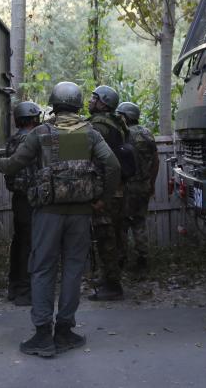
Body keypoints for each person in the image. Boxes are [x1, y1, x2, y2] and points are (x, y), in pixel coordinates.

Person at [0, 82, 120, 358]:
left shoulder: (40, 133)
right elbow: (112, 166)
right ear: (77, 105)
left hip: (47, 213)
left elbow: (12, 165)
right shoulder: (91, 133)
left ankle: (42, 335)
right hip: (81, 214)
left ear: (54, 104)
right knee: (74, 269)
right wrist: (103, 198)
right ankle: (64, 331)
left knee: (42, 269)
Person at [86, 84, 129, 301]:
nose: (90, 101)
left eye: (94, 98)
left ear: (103, 102)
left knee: (106, 238)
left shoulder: (98, 126)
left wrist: (102, 196)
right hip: (118, 189)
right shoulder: (117, 123)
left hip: (106, 190)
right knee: (115, 236)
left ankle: (112, 285)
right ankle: (110, 279)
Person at [3, 101, 42, 307]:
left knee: (19, 243)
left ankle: (15, 286)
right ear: (34, 118)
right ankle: (25, 292)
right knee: (30, 244)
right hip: (32, 198)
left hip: (19, 198)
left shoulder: (13, 140)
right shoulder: (33, 139)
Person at [116, 102, 158, 275]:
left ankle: (121, 260)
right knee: (139, 223)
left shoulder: (123, 135)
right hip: (144, 186)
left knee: (122, 224)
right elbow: (156, 161)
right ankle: (143, 260)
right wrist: (151, 183)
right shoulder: (148, 134)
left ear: (125, 116)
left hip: (127, 187)